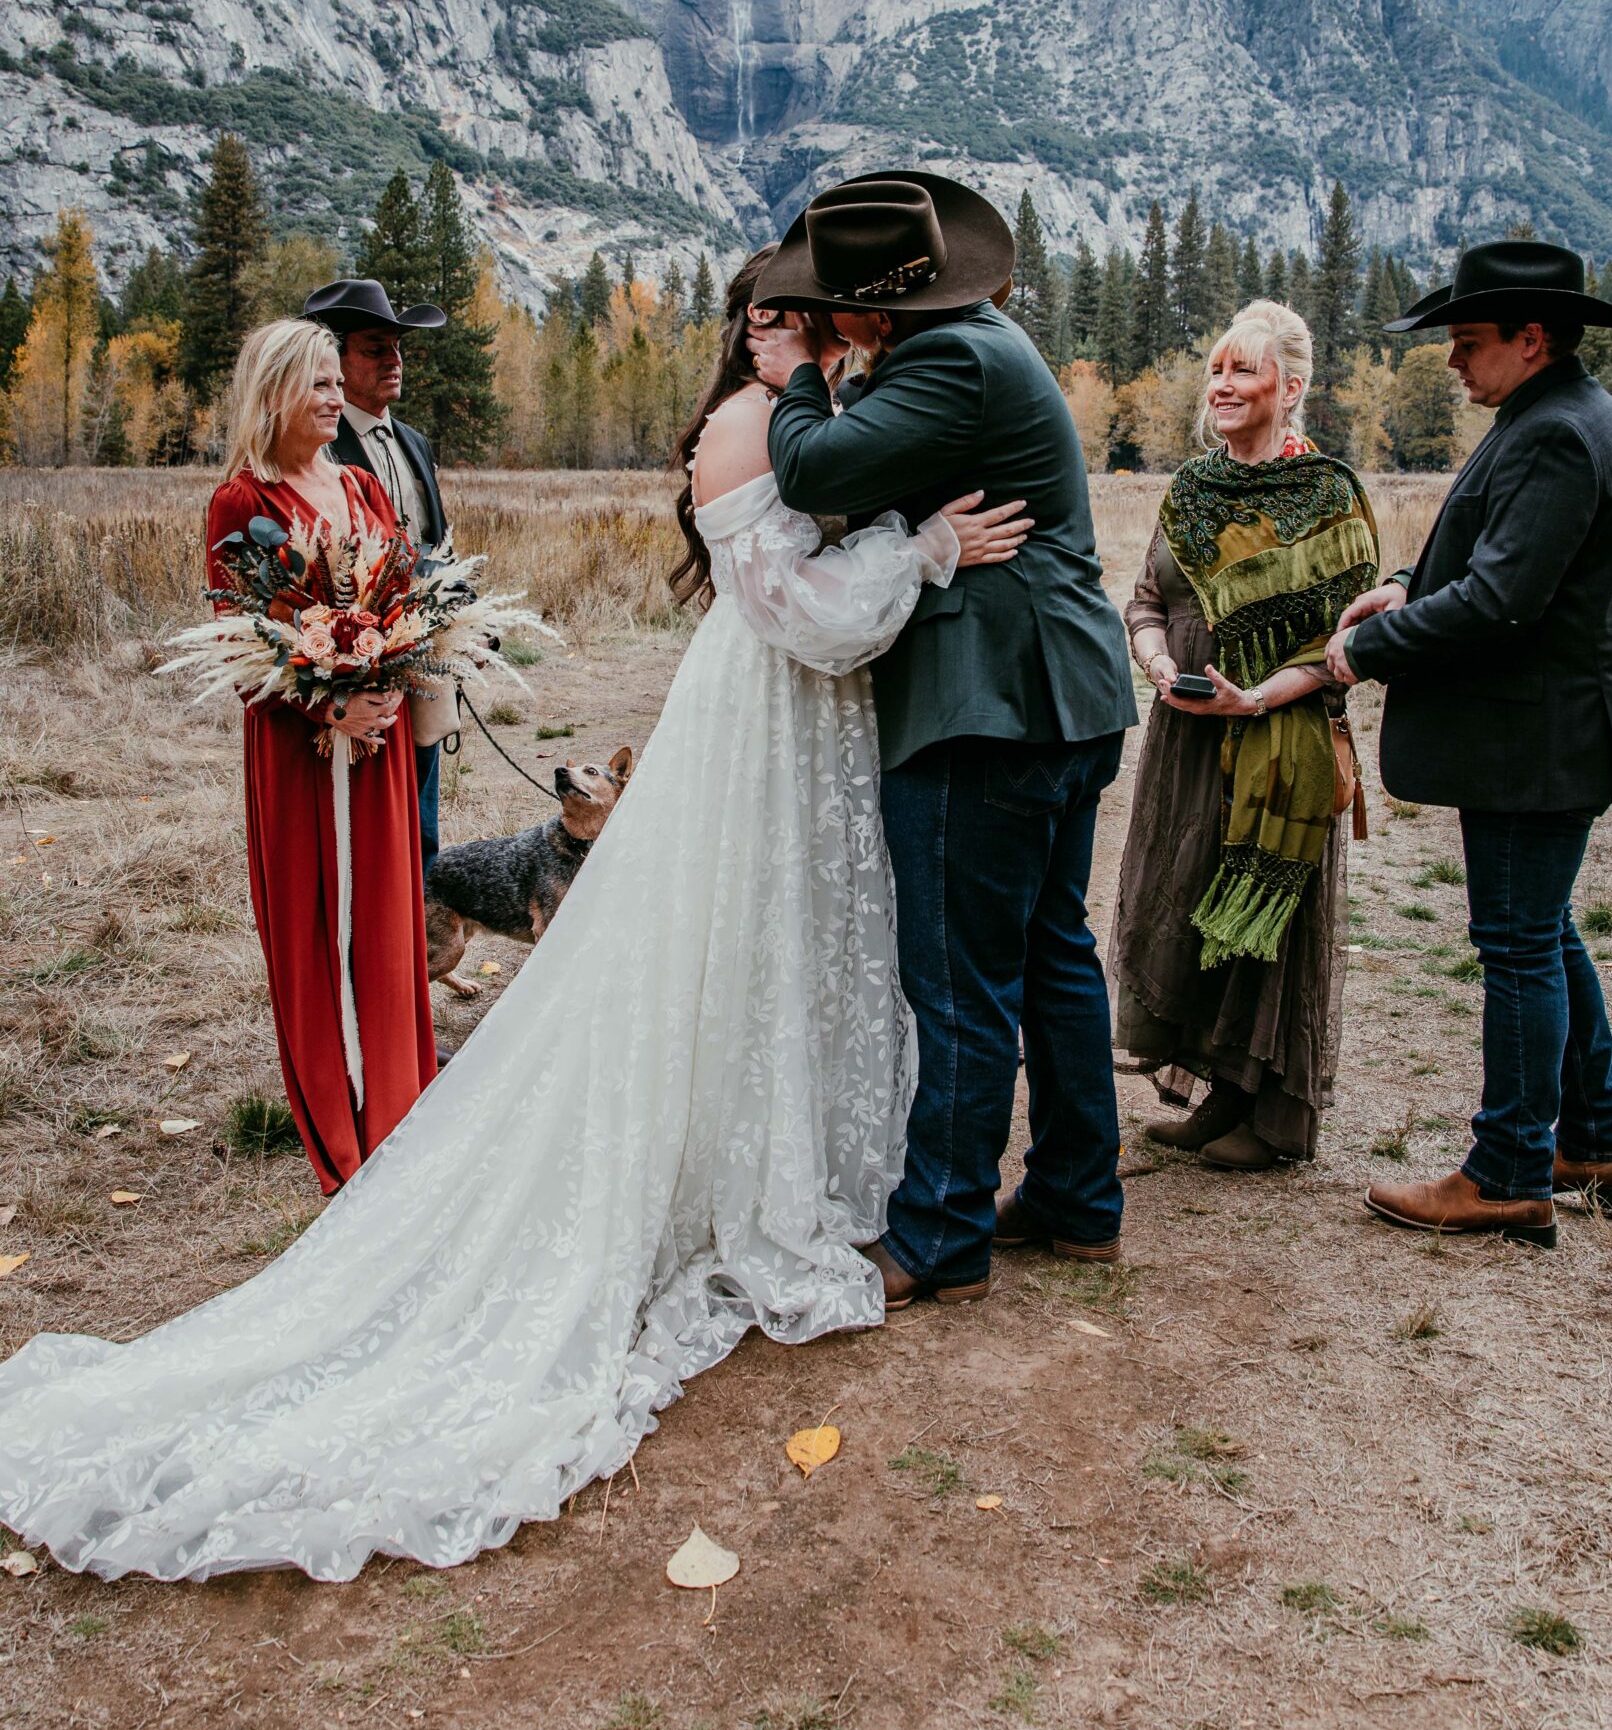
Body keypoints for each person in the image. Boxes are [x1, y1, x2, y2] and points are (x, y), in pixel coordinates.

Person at [0, 256, 1028, 1582]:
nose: (805, 335)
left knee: (772, 953)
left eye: (820, 319)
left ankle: (760, 1155)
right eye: (781, 318)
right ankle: (394, 1130)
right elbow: (805, 610)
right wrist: (931, 544)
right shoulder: (744, 426)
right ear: (749, 330)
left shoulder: (812, 422)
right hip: (756, 708)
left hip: (787, 725)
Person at [748, 172, 1137, 1307]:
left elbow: (815, 468)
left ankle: (940, 1232)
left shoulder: (946, 361)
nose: (820, 326)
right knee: (1053, 950)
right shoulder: (982, 340)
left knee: (961, 976)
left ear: (867, 315)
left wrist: (799, 381)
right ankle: (1077, 1197)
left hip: (990, 708)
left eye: (829, 311)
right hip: (1060, 697)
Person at [1328, 240, 1612, 1248]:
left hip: (1545, 735)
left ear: (1532, 338)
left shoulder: (1560, 432)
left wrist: (1366, 647)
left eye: (1468, 342)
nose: (1452, 362)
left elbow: (1502, 597)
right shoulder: (1559, 414)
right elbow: (1493, 554)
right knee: (1544, 928)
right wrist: (1403, 585)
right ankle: (1597, 1141)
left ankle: (1509, 1170)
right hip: (1552, 727)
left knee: (1518, 941)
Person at [1111, 301, 1380, 1169]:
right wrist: (1157, 665)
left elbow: (1337, 642)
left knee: (1263, 918)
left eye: (1243, 371)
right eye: (1215, 371)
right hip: (1186, 732)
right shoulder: (1191, 487)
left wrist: (1256, 697)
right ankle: (1215, 1087)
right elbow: (1145, 600)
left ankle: (1267, 1117)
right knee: (1192, 900)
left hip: (1276, 742)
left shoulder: (1326, 494)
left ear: (1290, 387)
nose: (1222, 386)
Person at [207, 318, 437, 1193]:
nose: (336, 398)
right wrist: (327, 701)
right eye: (317, 385)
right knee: (315, 926)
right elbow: (237, 642)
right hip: (301, 749)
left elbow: (408, 598)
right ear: (272, 395)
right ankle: (343, 1134)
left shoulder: (364, 491)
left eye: (338, 383)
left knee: (384, 922)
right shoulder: (243, 503)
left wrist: (391, 678)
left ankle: (400, 1109)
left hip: (376, 741)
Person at [303, 279, 453, 871]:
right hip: (356, 662)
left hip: (424, 652)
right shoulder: (318, 445)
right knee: (369, 823)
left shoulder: (412, 440)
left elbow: (434, 540)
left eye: (398, 347)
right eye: (374, 348)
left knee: (424, 806)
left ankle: (423, 941)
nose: (393, 360)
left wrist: (461, 616)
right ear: (334, 360)